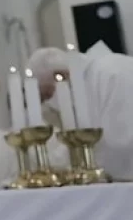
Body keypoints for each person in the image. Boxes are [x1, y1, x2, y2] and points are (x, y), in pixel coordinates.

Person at [29, 44, 133, 181]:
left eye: (48, 94)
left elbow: (117, 141)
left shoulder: (108, 75)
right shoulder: (91, 77)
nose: (50, 103)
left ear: (61, 76)